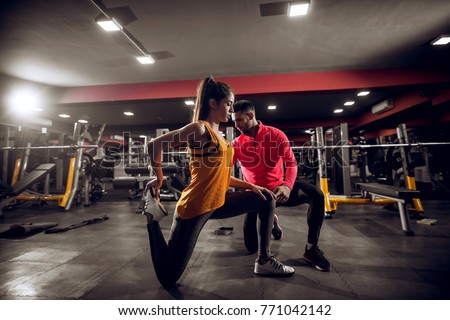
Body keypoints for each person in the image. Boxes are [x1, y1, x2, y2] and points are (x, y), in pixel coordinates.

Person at [144, 77, 294, 288]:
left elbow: (221, 177)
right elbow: (154, 145)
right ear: (213, 103)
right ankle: (152, 220)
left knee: (266, 197)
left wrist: (251, 186)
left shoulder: (220, 136)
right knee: (168, 276)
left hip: (218, 201)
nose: (232, 109)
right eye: (229, 103)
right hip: (195, 206)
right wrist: (159, 178)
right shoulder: (200, 129)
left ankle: (264, 260)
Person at [232, 100, 330, 272]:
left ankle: (311, 249)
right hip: (256, 196)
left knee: (316, 194)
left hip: (279, 191)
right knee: (251, 248)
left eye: (239, 120)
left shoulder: (276, 135)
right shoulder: (236, 143)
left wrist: (287, 186)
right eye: (234, 120)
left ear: (251, 116)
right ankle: (273, 220)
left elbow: (291, 163)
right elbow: (224, 172)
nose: (236, 125)